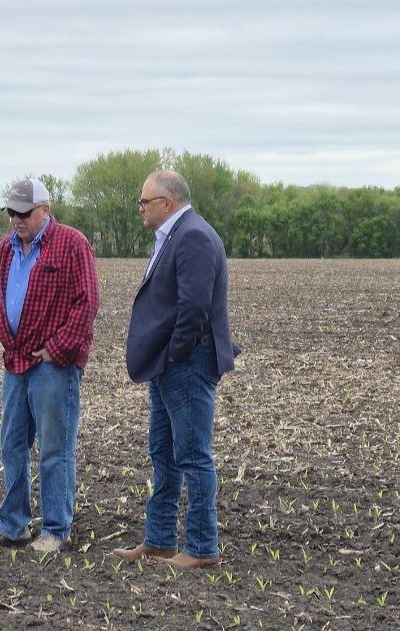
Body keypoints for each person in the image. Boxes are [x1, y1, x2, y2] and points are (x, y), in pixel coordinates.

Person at [0, 178, 99, 553]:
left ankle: (56, 530)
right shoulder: (5, 249)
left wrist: (56, 349)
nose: (16, 219)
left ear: (45, 209)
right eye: (12, 212)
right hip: (13, 363)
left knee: (54, 449)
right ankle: (13, 526)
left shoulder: (71, 244)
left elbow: (87, 304)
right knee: (12, 445)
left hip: (53, 367)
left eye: (24, 212)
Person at [113, 170, 240, 569]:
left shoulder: (193, 236)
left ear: (167, 203)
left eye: (144, 201)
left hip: (186, 363)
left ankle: (202, 548)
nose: (140, 208)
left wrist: (173, 356)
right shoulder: (176, 234)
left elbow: (194, 309)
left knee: (193, 456)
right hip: (168, 365)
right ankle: (160, 540)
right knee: (163, 453)